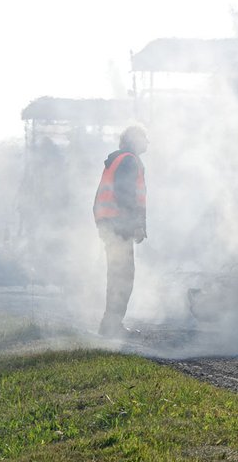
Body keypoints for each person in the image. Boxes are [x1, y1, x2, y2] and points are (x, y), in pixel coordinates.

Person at [93, 124, 149, 337]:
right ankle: (111, 326)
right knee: (123, 276)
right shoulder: (129, 160)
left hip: (110, 224)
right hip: (119, 226)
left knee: (117, 274)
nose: (148, 143)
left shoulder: (117, 159)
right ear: (135, 140)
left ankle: (110, 324)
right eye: (145, 138)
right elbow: (126, 194)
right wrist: (134, 224)